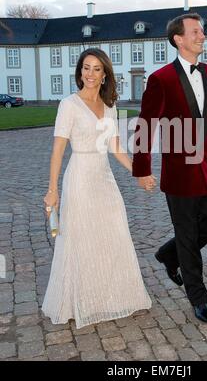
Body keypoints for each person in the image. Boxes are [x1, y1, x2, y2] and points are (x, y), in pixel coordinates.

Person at [42, 48, 151, 329]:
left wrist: (138, 172)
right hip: (79, 177)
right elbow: (57, 151)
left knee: (114, 231)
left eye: (96, 69)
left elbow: (114, 146)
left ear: (105, 76)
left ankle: (111, 299)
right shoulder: (68, 105)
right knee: (79, 239)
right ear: (80, 72)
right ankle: (79, 302)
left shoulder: (109, 106)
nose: (90, 74)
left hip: (104, 179)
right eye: (86, 68)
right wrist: (52, 189)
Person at [132, 13, 207, 323]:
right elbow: (145, 126)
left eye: (202, 30)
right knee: (187, 236)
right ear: (178, 39)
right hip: (179, 173)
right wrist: (142, 169)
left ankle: (167, 254)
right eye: (195, 31)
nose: (202, 36)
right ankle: (198, 297)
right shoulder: (160, 79)